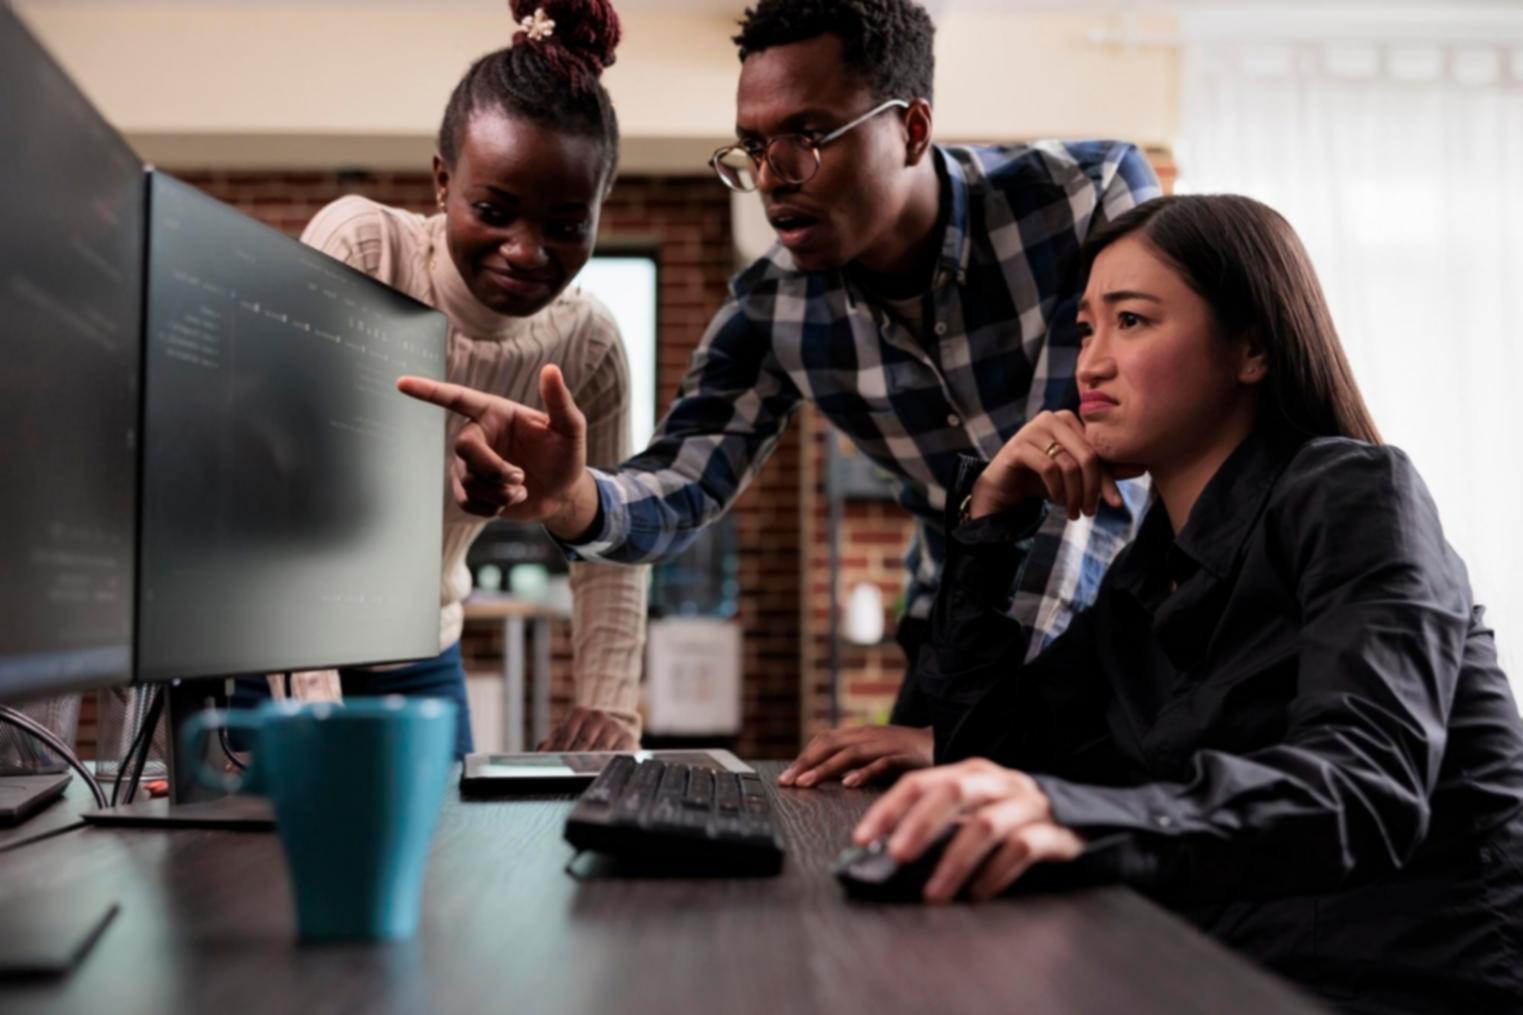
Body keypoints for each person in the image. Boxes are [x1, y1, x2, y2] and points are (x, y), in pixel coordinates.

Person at [398, 0, 1162, 780]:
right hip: (960, 618)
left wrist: (978, 733)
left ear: (911, 128)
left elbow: (1084, 479)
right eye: (754, 147)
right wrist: (570, 498)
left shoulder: (1081, 197)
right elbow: (681, 482)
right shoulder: (772, 306)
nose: (770, 179)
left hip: (1128, 608)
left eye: (806, 139)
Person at [849, 193, 1523, 1012]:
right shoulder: (1146, 576)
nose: (1089, 365)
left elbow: (1365, 787)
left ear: (1250, 347)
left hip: (1401, 987)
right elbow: (989, 750)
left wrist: (1071, 816)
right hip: (1218, 968)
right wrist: (991, 518)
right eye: (1085, 330)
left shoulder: (1355, 496)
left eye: (1130, 321)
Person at [257, 0, 647, 756]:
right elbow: (289, 487)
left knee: (448, 866)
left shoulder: (588, 342)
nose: (527, 251)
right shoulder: (367, 250)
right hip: (275, 652)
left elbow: (608, 542)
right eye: (494, 210)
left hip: (422, 654)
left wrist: (609, 705)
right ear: (443, 181)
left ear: (600, 211)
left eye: (566, 225)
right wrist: (314, 703)